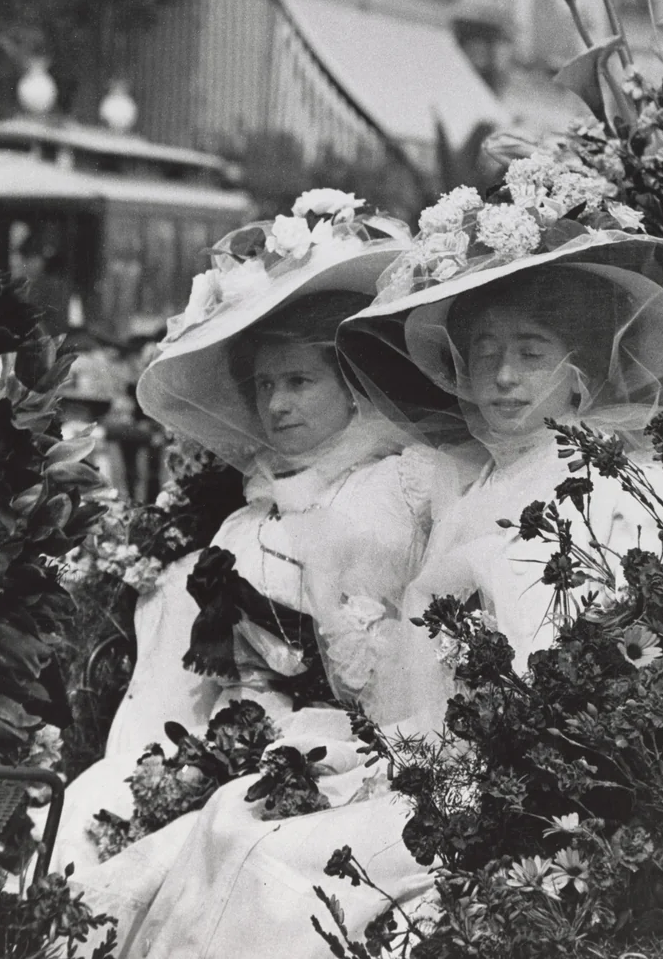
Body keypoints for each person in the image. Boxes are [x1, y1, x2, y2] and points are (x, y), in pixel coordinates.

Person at [116, 195, 663, 959]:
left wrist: (457, 768)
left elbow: (591, 681)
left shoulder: (621, 491)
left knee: (268, 861)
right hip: (444, 764)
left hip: (538, 794)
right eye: (484, 353)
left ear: (582, 373)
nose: (501, 376)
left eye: (530, 353)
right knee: (229, 820)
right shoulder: (471, 482)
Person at [55, 195, 474, 946]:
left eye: (299, 382)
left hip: (347, 750)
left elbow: (408, 667)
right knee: (92, 800)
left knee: (227, 844)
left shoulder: (398, 491)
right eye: (264, 386)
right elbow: (194, 681)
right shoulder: (245, 521)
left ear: (352, 384)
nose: (277, 405)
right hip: (227, 738)